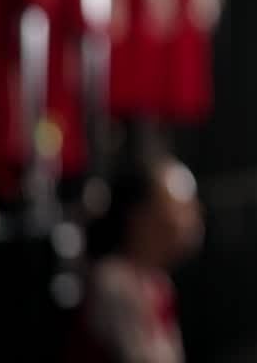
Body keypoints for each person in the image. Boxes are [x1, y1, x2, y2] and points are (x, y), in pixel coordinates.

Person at [65, 135, 203, 363]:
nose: (193, 219)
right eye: (181, 209)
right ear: (140, 217)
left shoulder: (158, 283)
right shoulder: (114, 282)